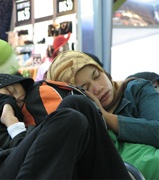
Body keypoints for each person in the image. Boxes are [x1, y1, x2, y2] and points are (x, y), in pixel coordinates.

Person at [0, 73, 131, 179]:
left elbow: (32, 158)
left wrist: (13, 124)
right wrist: (7, 112)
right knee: (69, 118)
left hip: (16, 170)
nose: (16, 102)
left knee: (77, 105)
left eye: (20, 101)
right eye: (11, 93)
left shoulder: (14, 126)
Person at [47, 50, 159, 179]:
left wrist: (106, 117)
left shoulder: (136, 90)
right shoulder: (79, 122)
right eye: (86, 88)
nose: (98, 88)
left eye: (96, 75)